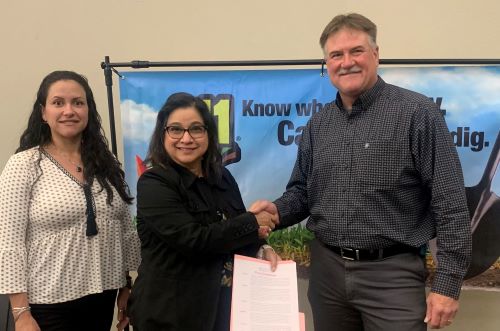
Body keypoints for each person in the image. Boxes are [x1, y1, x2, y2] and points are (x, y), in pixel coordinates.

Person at [250, 13, 472, 331]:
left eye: (356, 51)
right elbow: (302, 191)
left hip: (393, 274)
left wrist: (447, 286)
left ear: (376, 54)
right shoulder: (318, 124)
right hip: (326, 273)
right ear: (327, 64)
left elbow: (450, 202)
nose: (347, 62)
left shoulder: (417, 113)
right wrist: (276, 210)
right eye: (336, 55)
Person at [0, 70, 140, 331]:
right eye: (58, 103)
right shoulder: (25, 164)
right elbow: (9, 242)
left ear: (88, 110)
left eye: (78, 102)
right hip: (47, 304)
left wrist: (126, 285)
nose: (69, 110)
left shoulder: (104, 164)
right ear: (43, 113)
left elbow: (123, 230)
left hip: (102, 296)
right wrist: (20, 313)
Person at [127, 92, 280, 331]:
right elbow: (194, 240)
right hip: (169, 314)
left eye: (196, 129)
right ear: (163, 134)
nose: (186, 138)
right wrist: (252, 221)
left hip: (220, 310)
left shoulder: (223, 177)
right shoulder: (154, 182)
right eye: (176, 129)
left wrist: (262, 248)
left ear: (208, 133)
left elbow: (236, 233)